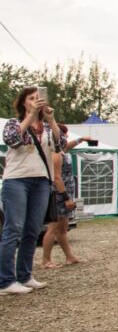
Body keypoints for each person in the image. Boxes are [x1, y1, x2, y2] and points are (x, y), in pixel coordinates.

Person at [1, 87, 61, 295]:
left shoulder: (45, 127)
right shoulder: (13, 123)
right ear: (24, 103)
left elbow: (60, 144)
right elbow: (12, 140)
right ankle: (5, 280)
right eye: (32, 98)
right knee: (13, 229)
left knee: (32, 230)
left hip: (41, 181)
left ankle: (25, 276)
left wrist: (51, 120)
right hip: (17, 180)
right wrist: (30, 117)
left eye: (39, 98)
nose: (37, 101)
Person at [40, 125, 91, 268]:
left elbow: (68, 146)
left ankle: (70, 257)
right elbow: (56, 178)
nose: (66, 138)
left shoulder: (61, 151)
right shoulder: (55, 154)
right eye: (64, 136)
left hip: (65, 193)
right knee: (53, 228)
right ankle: (46, 260)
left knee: (63, 228)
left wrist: (81, 139)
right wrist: (66, 197)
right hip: (59, 195)